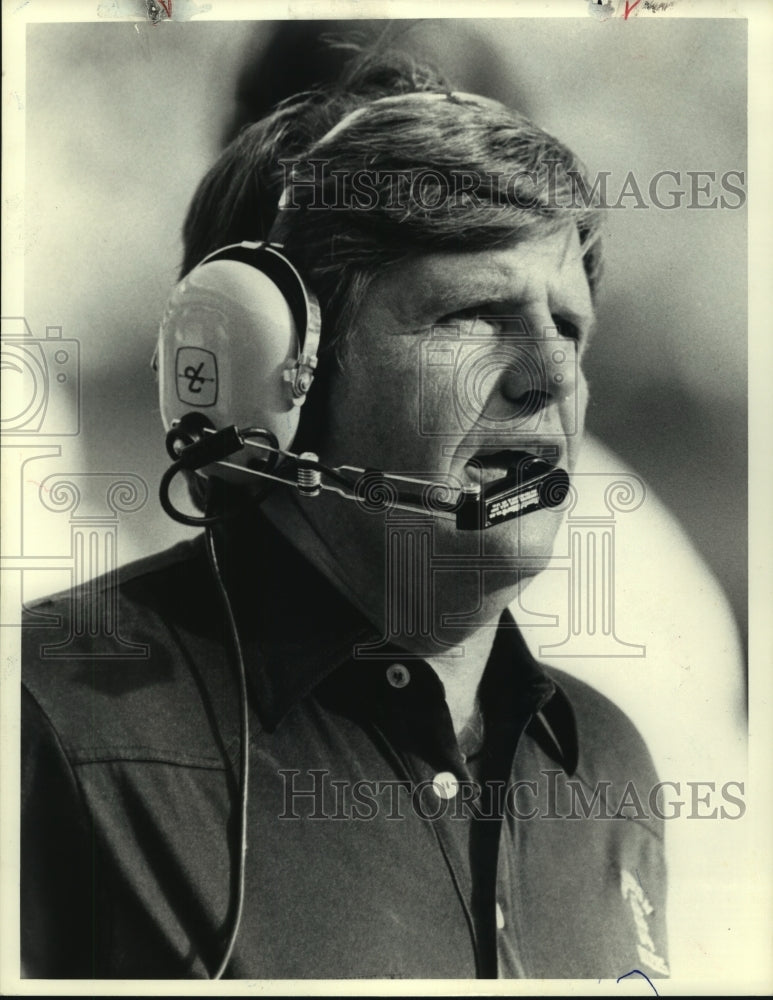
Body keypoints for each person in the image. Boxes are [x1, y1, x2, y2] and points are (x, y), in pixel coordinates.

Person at [21, 49, 669, 980]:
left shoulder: (607, 766)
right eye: (475, 314)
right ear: (268, 372)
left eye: (567, 326)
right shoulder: (49, 722)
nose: (551, 378)